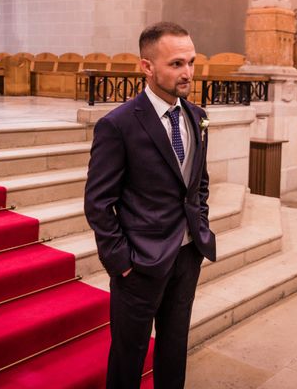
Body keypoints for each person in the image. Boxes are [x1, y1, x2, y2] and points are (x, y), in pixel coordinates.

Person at [85, 22, 216, 389]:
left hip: (187, 256)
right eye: (176, 64)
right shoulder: (119, 125)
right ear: (146, 66)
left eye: (191, 62)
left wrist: (199, 227)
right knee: (128, 356)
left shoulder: (196, 116)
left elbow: (198, 183)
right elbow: (98, 203)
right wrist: (122, 263)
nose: (188, 72)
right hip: (139, 265)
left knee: (174, 349)